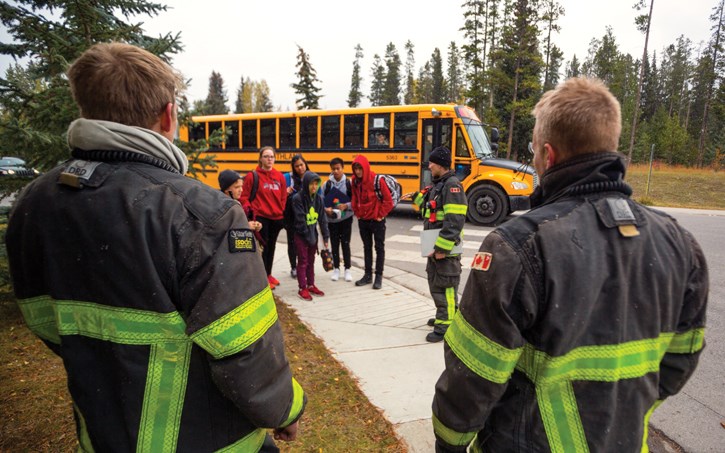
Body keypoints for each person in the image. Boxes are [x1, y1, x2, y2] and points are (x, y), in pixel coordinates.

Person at [5, 43, 305, 452]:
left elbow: (45, 320)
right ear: (168, 116)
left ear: (85, 106)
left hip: (102, 436)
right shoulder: (203, 214)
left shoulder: (35, 201)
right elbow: (245, 346)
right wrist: (285, 409)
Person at [431, 77, 708, 452]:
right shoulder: (680, 243)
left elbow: (471, 378)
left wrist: (449, 444)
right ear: (609, 144)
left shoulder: (517, 246)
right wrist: (626, 411)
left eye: (533, 151)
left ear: (548, 154)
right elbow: (683, 355)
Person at [412, 147, 467, 343]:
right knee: (436, 284)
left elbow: (455, 221)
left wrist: (443, 248)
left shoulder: (452, 186)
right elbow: (427, 208)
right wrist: (416, 196)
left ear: (441, 164)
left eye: (432, 162)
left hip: (444, 250)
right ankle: (443, 315)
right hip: (434, 248)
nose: (430, 165)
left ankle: (446, 326)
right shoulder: (439, 185)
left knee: (447, 288)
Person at [240, 146, 287, 290]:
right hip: (261, 218)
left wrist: (281, 210)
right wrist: (251, 210)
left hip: (276, 218)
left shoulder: (279, 176)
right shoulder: (252, 176)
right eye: (266, 156)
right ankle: (262, 278)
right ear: (260, 158)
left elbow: (283, 196)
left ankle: (269, 273)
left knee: (271, 247)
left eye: (272, 156)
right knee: (262, 248)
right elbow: (244, 196)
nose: (269, 159)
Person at [350, 154, 394, 290]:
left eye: (360, 168)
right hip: (363, 220)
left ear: (365, 168)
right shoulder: (355, 182)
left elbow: (388, 201)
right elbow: (354, 198)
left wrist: (380, 215)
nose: (358, 172)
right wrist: (357, 213)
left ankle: (378, 276)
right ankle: (367, 275)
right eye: (355, 169)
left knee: (379, 248)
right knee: (366, 247)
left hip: (376, 221)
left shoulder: (377, 181)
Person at [292, 170, 330, 301]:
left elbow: (323, 219)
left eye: (316, 184)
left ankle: (311, 284)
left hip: (312, 234)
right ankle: (302, 288)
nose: (314, 187)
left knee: (311, 261)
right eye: (311, 184)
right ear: (306, 183)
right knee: (303, 261)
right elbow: (300, 220)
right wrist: (308, 238)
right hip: (301, 235)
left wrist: (325, 237)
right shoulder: (298, 199)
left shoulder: (318, 199)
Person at [323, 157, 354, 282]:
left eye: (338, 168)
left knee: (346, 244)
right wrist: (326, 209)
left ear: (343, 168)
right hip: (332, 220)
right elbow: (321, 201)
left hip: (346, 218)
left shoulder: (349, 183)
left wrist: (347, 206)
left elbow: (355, 200)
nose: (336, 171)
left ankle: (348, 269)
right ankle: (336, 268)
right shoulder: (327, 184)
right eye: (333, 169)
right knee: (334, 244)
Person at [283, 155, 309, 279]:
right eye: (297, 166)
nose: (300, 168)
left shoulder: (311, 177)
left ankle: (304, 266)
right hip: (291, 216)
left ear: (305, 164)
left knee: (306, 242)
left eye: (301, 165)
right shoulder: (288, 178)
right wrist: (285, 191)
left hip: (307, 215)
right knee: (292, 242)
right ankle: (294, 266)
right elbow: (279, 194)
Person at [218, 169, 262, 233]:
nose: (241, 190)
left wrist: (254, 225)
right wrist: (246, 226)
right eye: (237, 187)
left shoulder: (235, 202)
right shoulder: (221, 205)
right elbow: (222, 228)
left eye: (241, 186)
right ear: (226, 189)